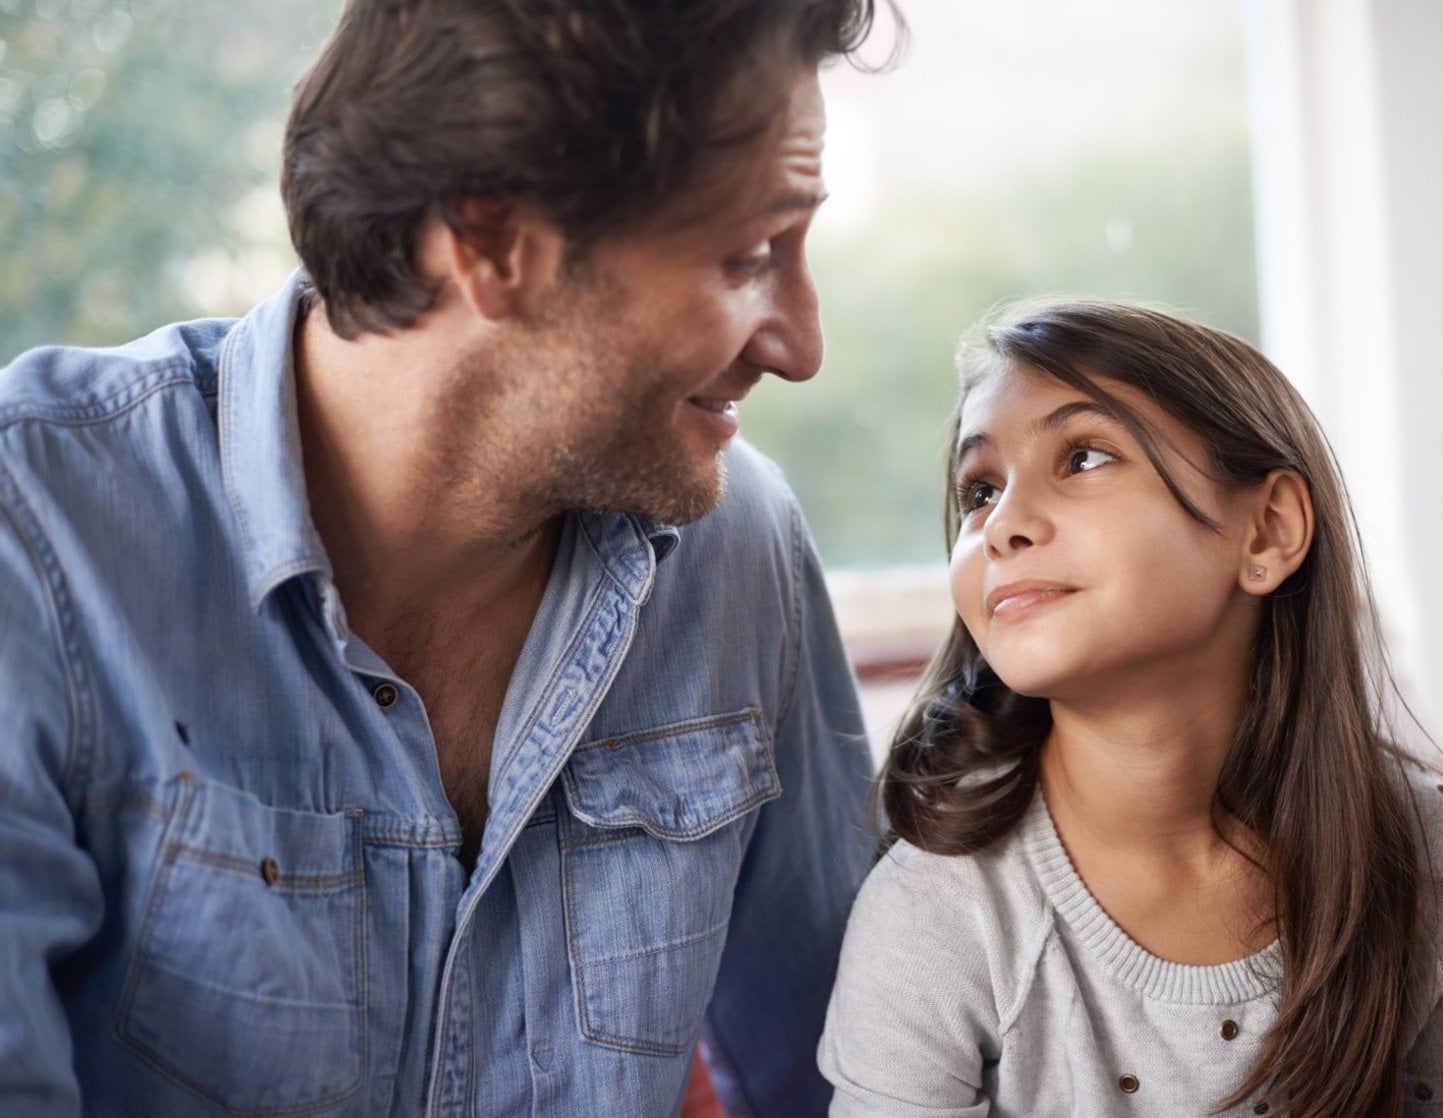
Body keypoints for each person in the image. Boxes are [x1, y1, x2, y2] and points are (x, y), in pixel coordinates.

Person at [0, 1, 902, 1114]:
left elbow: (850, 1078)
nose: (801, 344)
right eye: (749, 254)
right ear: (489, 239)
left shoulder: (737, 550)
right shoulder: (34, 540)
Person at [818, 300, 1443, 1117]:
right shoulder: (934, 918)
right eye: (980, 490)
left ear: (1266, 531)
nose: (1004, 524)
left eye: (1083, 456)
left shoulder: (1439, 857)